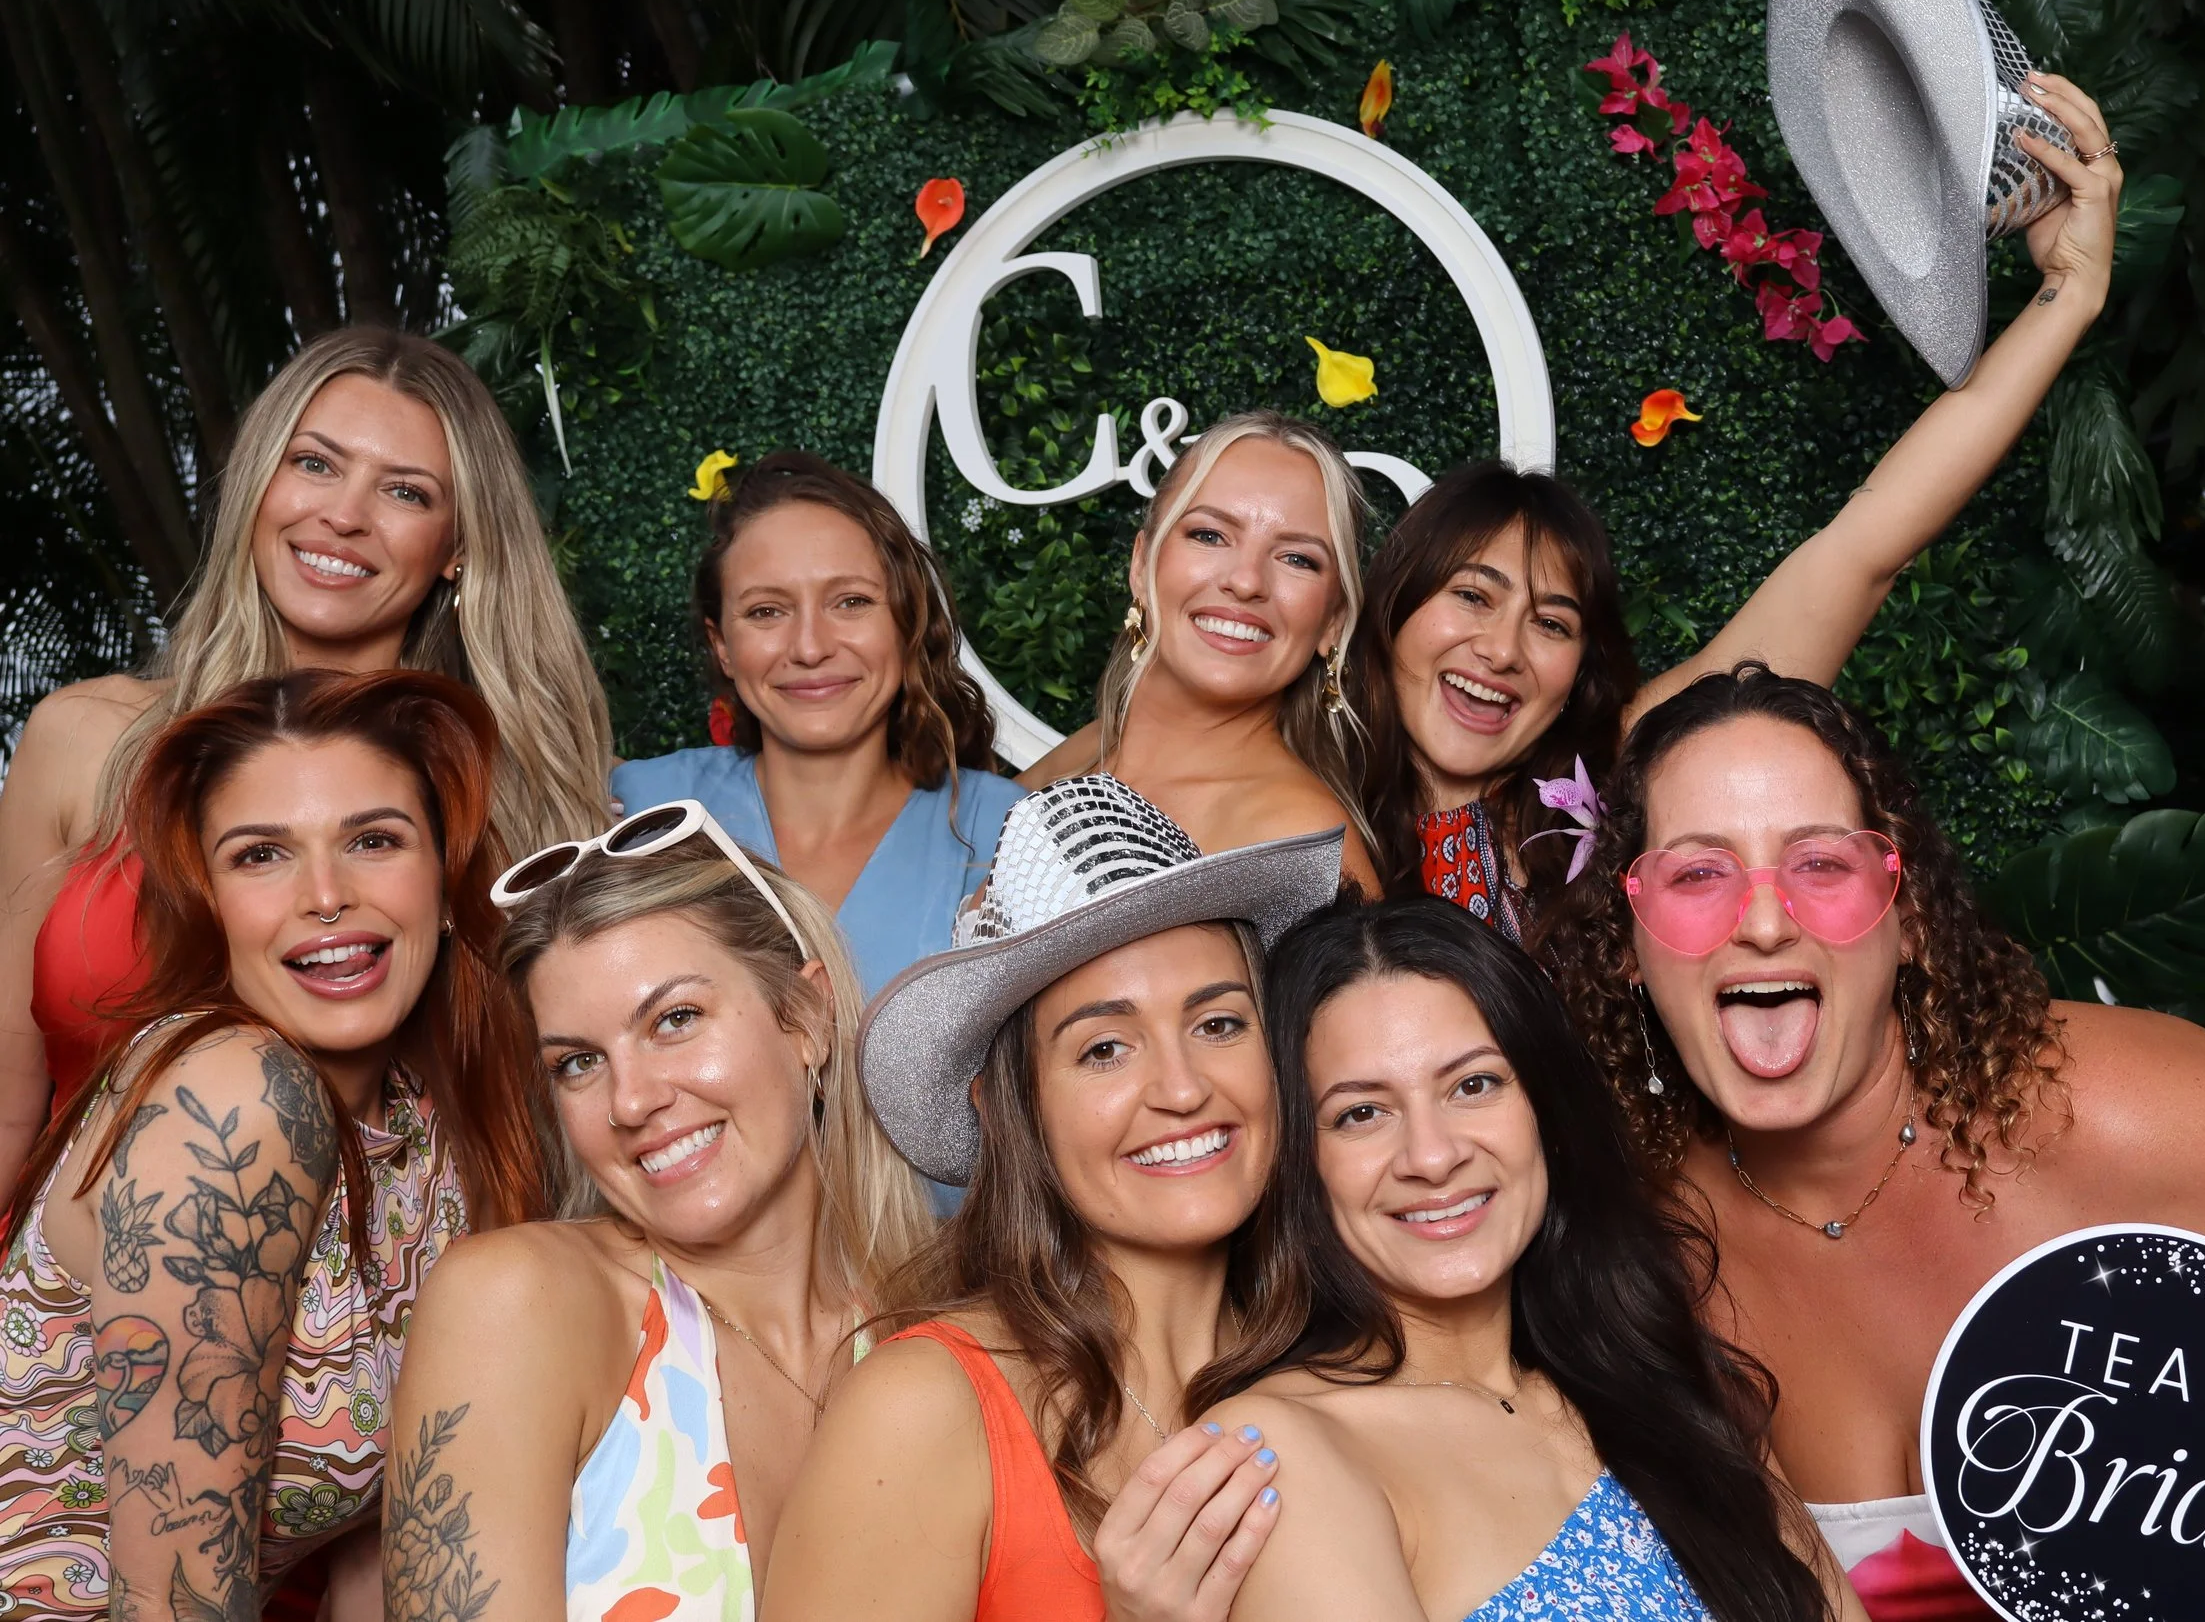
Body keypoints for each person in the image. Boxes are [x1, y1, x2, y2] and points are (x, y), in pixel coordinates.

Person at [1530, 663, 2205, 1622]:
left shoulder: (2100, 1108)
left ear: (1906, 915)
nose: (1766, 919)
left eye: (1819, 863)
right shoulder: (1638, 1256)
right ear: (1627, 935)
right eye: (1699, 872)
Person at [1351, 73, 2123, 937]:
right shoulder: (1289, 796)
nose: (1500, 651)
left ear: (1581, 674)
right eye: (1471, 594)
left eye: (1554, 622)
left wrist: (2071, 289)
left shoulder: (1629, 775)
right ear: (1392, 607)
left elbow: (1862, 546)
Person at [0, 327, 613, 1186]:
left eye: (404, 490)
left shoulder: (510, 805)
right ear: (259, 483)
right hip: (65, 1295)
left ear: (459, 548)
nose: (345, 514)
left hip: (397, 1299)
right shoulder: (82, 740)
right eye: (315, 463)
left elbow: (565, 1117)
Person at [0, 668, 544, 1619]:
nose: (326, 895)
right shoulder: (232, 1102)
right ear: (208, 901)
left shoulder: (434, 1123)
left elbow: (382, 1548)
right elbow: (168, 1606)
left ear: (447, 877)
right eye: (261, 855)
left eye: (374, 839)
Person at [762, 775, 1345, 1620]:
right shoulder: (922, 1408)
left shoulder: (1338, 1361)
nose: (1181, 1090)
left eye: (1218, 1023)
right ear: (1009, 1107)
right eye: (1105, 1048)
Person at [1193, 893, 1866, 1622]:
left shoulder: (1659, 1380)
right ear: (1300, 1160)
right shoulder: (1276, 1455)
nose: (1432, 1154)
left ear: (1545, 1110)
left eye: (1473, 1084)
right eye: (1361, 1112)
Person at [378, 806, 931, 1616]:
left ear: (805, 1019)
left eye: (674, 1020)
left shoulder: (929, 1334)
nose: (631, 1101)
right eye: (578, 1063)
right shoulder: (518, 1303)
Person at [613, 454, 1023, 998]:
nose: (810, 647)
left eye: (851, 602)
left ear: (907, 623)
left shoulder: (1004, 830)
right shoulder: (640, 813)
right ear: (722, 647)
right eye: (766, 612)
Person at [1017, 413, 1383, 893]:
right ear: (1142, 564)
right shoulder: (1083, 756)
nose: (1247, 581)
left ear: (1333, 622)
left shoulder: (1304, 849)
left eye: (1298, 559)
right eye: (1209, 535)